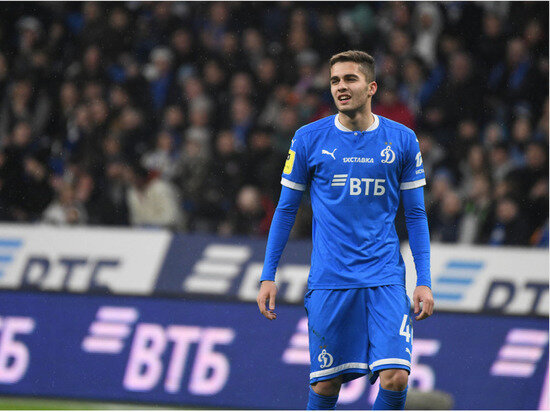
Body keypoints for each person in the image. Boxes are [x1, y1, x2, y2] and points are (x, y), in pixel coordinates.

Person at [256, 50, 434, 410]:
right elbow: (286, 210)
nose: (341, 86)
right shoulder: (308, 138)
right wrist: (268, 275)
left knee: (396, 376)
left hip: (384, 277)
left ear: (371, 87)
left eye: (350, 79)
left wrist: (424, 280)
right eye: (335, 80)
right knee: (326, 385)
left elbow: (416, 215)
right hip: (330, 279)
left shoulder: (402, 139)